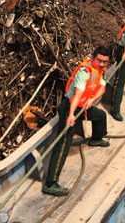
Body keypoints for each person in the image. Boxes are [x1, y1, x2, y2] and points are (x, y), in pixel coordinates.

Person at [43, 46, 111, 196]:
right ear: (92, 58)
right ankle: (50, 183)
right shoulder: (84, 73)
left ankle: (96, 138)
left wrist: (92, 100)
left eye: (105, 62)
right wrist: (71, 115)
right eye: (99, 61)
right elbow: (77, 95)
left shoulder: (100, 71)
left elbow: (102, 88)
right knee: (63, 144)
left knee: (100, 115)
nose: (102, 64)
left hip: (84, 105)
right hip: (70, 107)